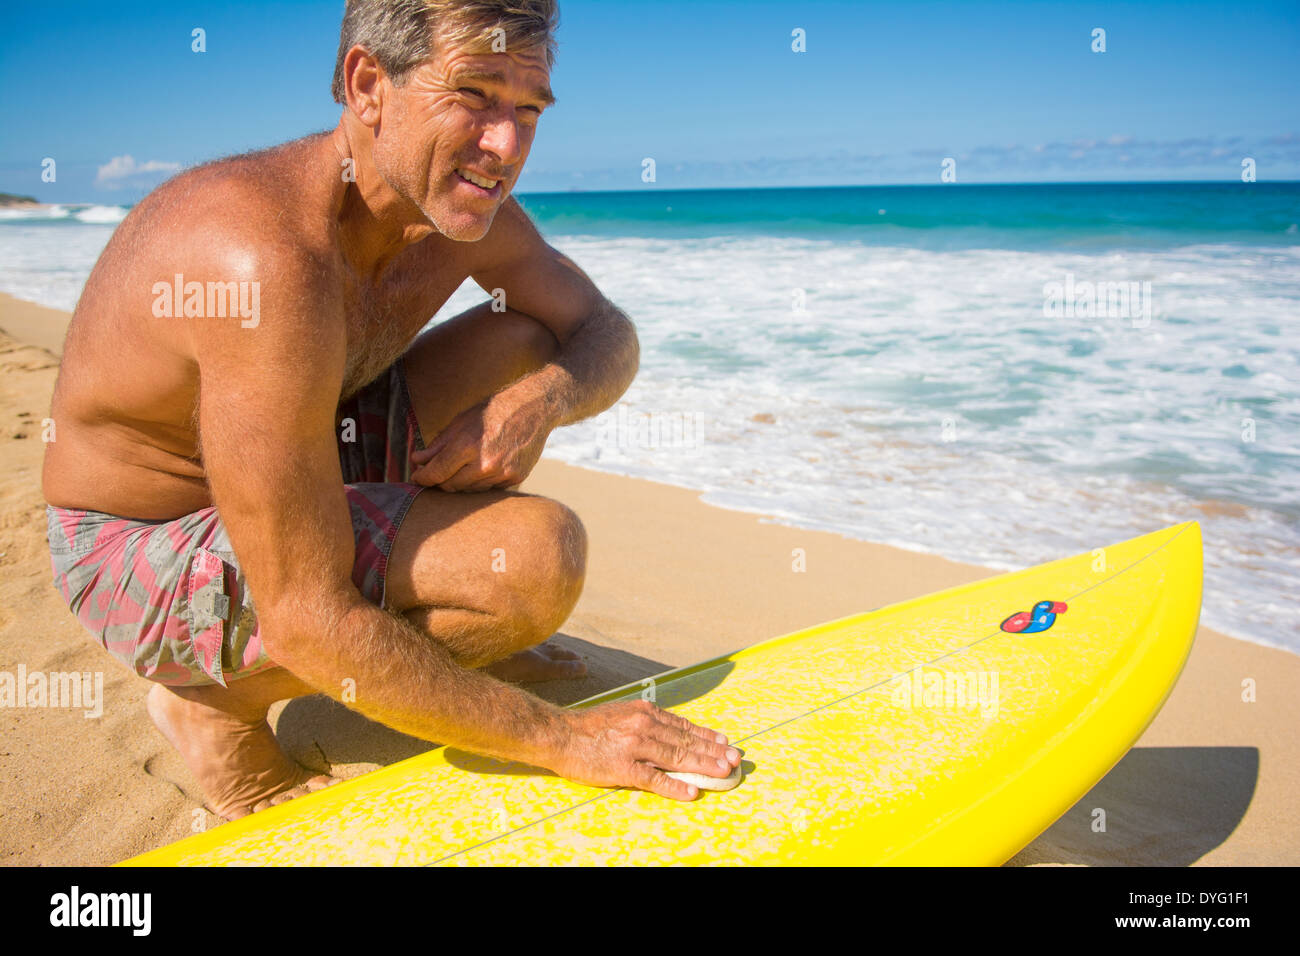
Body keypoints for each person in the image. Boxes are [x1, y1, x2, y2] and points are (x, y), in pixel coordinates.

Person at [42, 0, 739, 821]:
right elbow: (304, 616)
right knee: (536, 561)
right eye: (474, 94)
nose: (507, 145)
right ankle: (210, 703)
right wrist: (564, 741)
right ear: (367, 83)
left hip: (298, 451)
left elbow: (604, 331)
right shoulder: (261, 258)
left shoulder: (461, 214)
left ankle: (415, 633)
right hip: (140, 542)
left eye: (529, 108)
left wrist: (536, 403)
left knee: (523, 338)